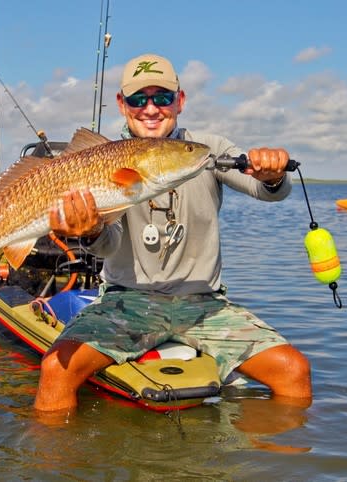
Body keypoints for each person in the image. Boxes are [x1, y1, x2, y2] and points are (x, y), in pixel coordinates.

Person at [36, 53, 312, 414]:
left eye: (162, 97)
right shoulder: (105, 160)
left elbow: (266, 189)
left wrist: (273, 173)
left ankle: (251, 461)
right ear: (122, 104)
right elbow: (109, 243)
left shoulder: (205, 149)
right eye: (138, 99)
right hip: (128, 300)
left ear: (180, 101)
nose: (150, 108)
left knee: (295, 371)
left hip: (203, 304)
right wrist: (89, 232)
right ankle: (52, 466)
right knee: (55, 369)